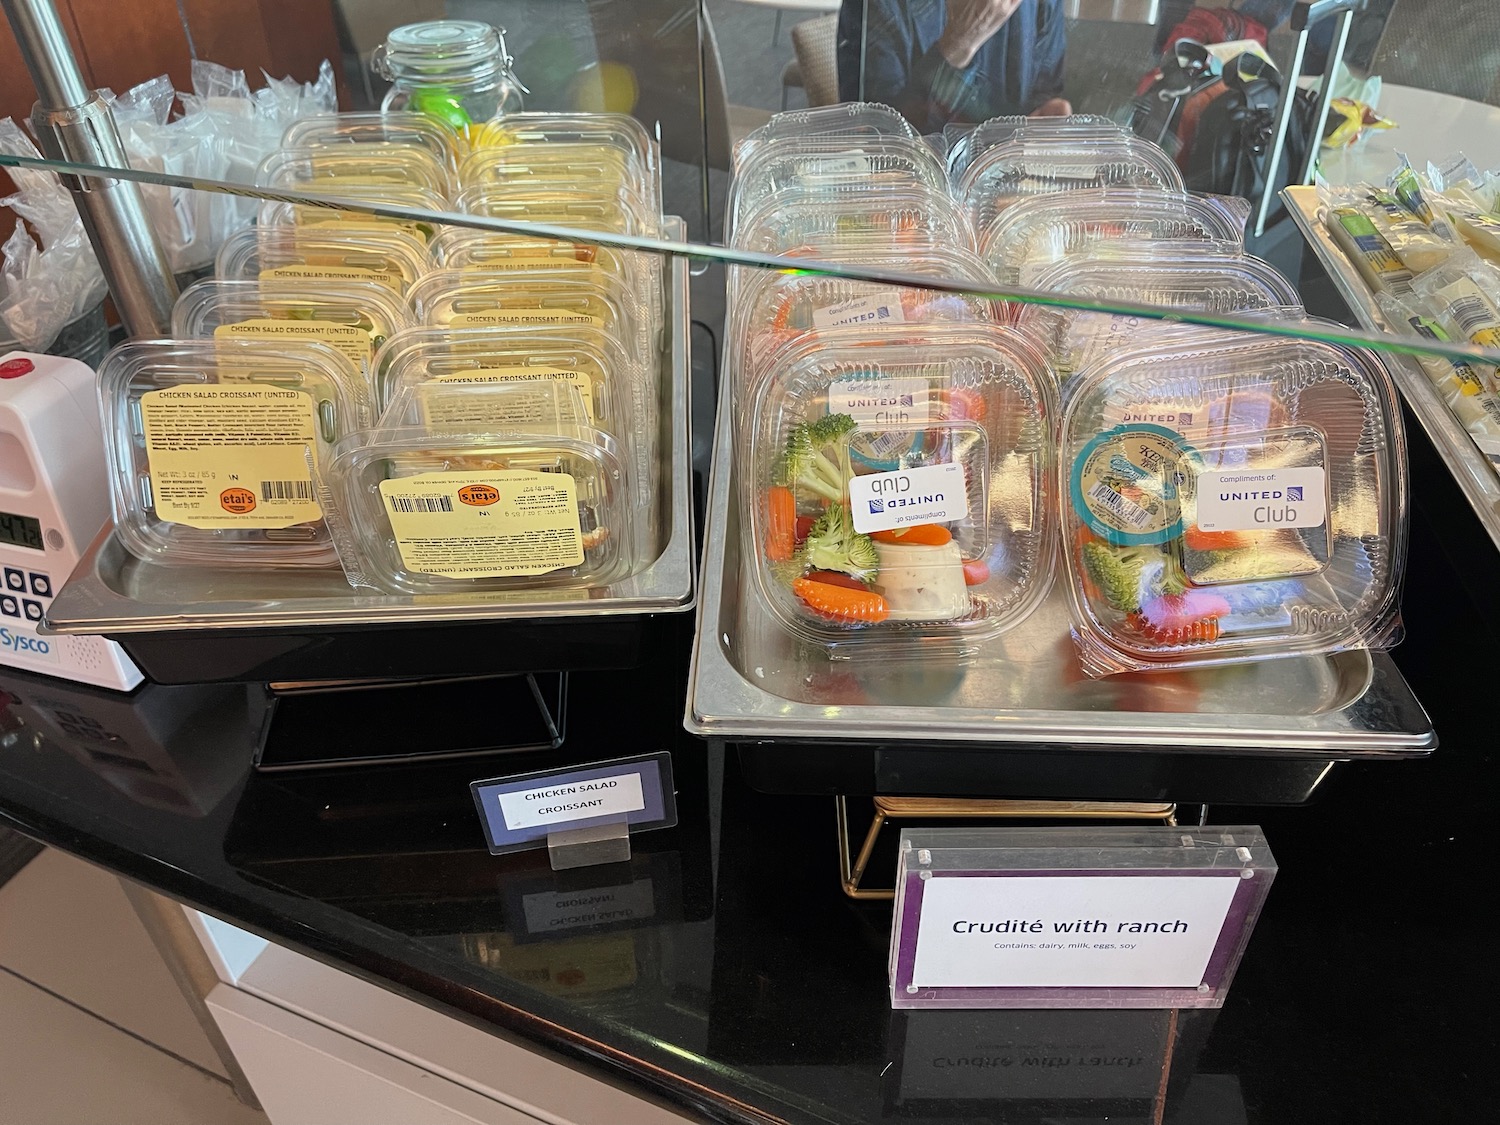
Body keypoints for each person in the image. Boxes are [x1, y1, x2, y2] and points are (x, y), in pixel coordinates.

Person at [837, 0, 1071, 135]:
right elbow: (879, 136)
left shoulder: (1041, 3)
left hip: (1003, 191)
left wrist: (1042, 118)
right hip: (911, 196)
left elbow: (1044, 91)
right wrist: (958, 44)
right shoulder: (876, 5)